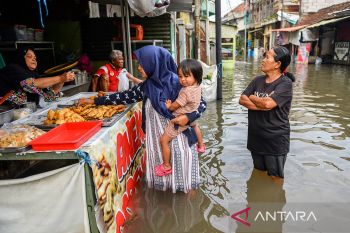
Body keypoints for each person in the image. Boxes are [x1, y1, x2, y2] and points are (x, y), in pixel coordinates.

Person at [78, 45, 206, 193]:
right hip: (158, 142)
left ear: (154, 63)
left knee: (185, 180)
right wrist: (94, 101)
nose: (138, 68)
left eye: (142, 64)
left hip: (180, 139)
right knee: (163, 184)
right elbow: (122, 97)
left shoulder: (179, 82)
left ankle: (189, 211)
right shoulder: (147, 86)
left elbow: (201, 103)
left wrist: (188, 117)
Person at [239, 46, 295, 180]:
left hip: (275, 140)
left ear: (277, 64)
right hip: (256, 138)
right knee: (258, 173)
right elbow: (242, 99)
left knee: (275, 178)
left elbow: (268, 104)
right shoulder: (257, 80)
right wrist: (258, 104)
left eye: (267, 57)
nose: (263, 60)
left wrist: (252, 97)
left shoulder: (285, 84)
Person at [156, 59, 205, 176]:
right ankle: (201, 146)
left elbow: (175, 106)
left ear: (196, 76)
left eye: (186, 76)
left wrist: (168, 106)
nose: (182, 80)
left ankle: (166, 166)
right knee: (196, 127)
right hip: (192, 115)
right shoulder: (197, 86)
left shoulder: (185, 92)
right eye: (180, 76)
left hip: (179, 120)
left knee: (163, 141)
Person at [0, 47, 75, 107]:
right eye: (29, 56)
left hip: (26, 111)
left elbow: (50, 96)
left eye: (35, 58)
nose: (34, 59)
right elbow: (29, 84)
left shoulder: (33, 74)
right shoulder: (12, 68)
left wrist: (62, 78)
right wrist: (60, 78)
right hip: (7, 111)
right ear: (20, 57)